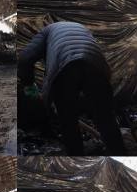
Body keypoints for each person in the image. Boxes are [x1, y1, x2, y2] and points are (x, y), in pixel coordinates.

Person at [18, 22, 126, 155]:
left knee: (68, 121)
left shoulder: (46, 32)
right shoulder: (81, 27)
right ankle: (119, 155)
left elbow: (24, 59)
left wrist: (29, 85)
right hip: (95, 63)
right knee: (106, 118)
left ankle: (76, 160)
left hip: (65, 66)